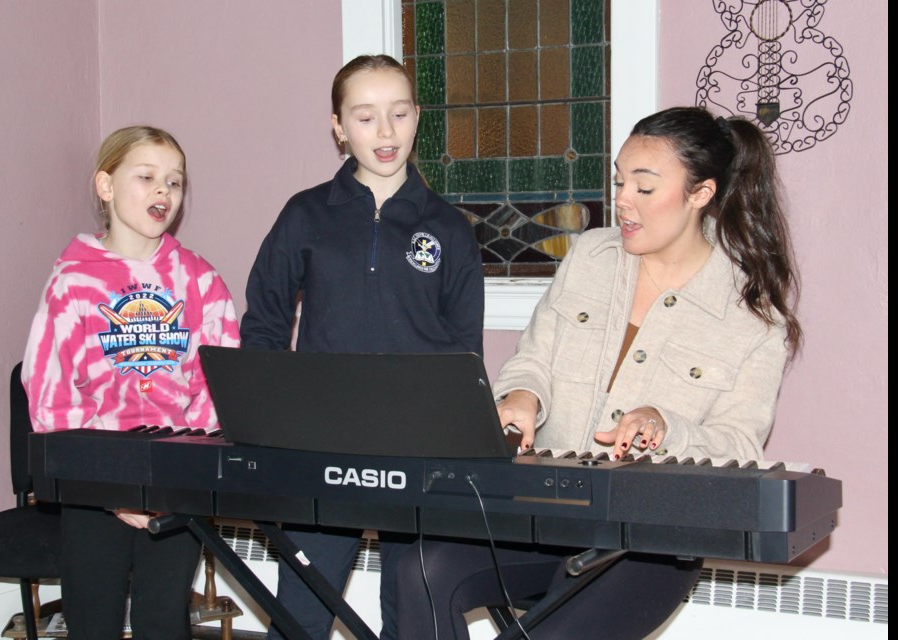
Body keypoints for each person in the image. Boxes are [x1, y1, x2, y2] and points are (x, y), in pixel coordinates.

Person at [395, 106, 803, 640]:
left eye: (645, 187)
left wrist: (665, 424)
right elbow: (532, 360)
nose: (623, 199)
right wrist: (521, 396)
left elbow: (739, 446)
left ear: (701, 193)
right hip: (540, 518)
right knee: (419, 571)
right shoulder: (590, 255)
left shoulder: (753, 316)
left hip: (646, 548)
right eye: (619, 181)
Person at [239, 54, 485, 639]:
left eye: (399, 114)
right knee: (300, 606)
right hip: (322, 443)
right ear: (338, 127)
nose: (385, 132)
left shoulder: (448, 228)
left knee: (416, 602)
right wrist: (273, 421)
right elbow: (266, 323)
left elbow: (464, 352)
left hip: (419, 448)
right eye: (366, 117)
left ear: (417, 119)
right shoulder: (304, 215)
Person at [21, 125, 241, 640]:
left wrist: (183, 473)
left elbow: (219, 386)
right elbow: (51, 393)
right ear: (106, 185)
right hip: (94, 482)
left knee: (163, 620)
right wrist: (111, 490)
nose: (163, 192)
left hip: (177, 479)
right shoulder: (72, 280)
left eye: (175, 182)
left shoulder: (201, 281)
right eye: (146, 177)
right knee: (92, 618)